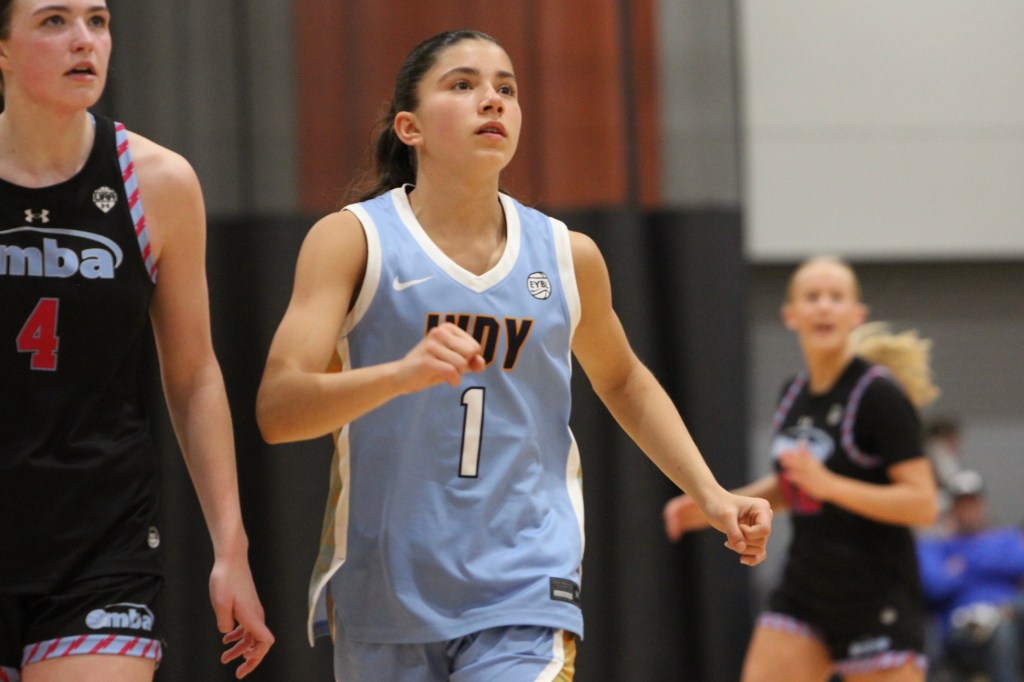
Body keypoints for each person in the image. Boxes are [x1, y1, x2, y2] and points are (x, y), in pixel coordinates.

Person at [255, 29, 772, 681]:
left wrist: (712, 493)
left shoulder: (566, 255)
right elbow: (279, 410)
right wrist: (399, 375)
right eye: (463, 84)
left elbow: (624, 381)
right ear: (410, 128)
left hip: (524, 582)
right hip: (385, 589)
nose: (492, 100)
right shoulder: (352, 240)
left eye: (506, 88)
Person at [0, 1, 273, 680]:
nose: (84, 40)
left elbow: (194, 375)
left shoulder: (158, 181)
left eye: (97, 20)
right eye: (54, 21)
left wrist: (230, 548)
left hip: (102, 543)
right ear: (2, 49)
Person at [664, 256, 940, 681]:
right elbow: (792, 485)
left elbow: (923, 504)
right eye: (812, 297)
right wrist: (716, 502)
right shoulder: (792, 393)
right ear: (791, 315)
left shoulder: (880, 395)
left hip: (877, 597)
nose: (824, 306)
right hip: (806, 591)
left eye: (836, 297)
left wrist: (830, 485)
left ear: (856, 315)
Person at [917, 469, 1024, 682]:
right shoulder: (935, 547)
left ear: (983, 505)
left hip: (1011, 612)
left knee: (1008, 620)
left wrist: (962, 566)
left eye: (973, 504)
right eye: (962, 505)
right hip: (961, 628)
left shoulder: (1007, 538)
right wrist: (994, 563)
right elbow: (934, 586)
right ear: (952, 509)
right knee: (1001, 632)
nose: (968, 511)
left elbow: (1018, 563)